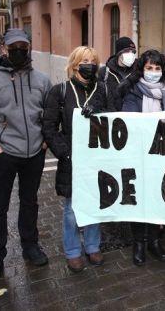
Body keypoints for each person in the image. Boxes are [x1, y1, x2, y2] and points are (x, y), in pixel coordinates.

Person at [0, 29, 52, 284]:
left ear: (29, 48)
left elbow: (49, 115)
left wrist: (45, 140)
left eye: (23, 47)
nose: (18, 51)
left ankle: (30, 246)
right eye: (13, 46)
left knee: (30, 202)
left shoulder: (42, 80)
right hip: (3, 154)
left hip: (34, 153)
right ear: (4, 48)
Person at [42, 46, 110, 272]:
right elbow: (49, 127)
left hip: (97, 158)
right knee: (72, 209)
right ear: (74, 64)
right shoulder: (59, 91)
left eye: (93, 61)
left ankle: (92, 246)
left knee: (94, 204)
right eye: (84, 61)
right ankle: (72, 251)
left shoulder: (103, 90)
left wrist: (99, 108)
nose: (89, 65)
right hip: (71, 160)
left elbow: (115, 117)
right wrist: (64, 152)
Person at [120, 49, 165, 266]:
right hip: (139, 154)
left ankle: (154, 241)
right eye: (149, 68)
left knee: (157, 197)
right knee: (139, 198)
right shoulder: (133, 90)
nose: (153, 72)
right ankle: (139, 243)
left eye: (157, 68)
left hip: (162, 153)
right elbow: (128, 120)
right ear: (142, 69)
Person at [97, 36, 137, 111]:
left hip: (131, 117)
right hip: (111, 118)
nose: (131, 54)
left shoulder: (137, 71)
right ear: (119, 53)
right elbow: (98, 96)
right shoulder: (104, 72)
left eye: (133, 51)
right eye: (127, 51)